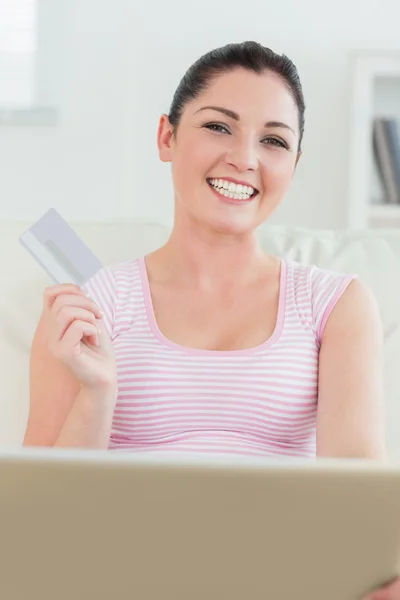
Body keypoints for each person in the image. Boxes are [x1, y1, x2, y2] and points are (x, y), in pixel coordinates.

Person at [23, 41, 398, 598]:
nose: (245, 157)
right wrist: (97, 391)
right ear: (167, 138)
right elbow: (35, 528)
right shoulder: (88, 305)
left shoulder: (337, 305)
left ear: (293, 165)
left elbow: (360, 511)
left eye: (273, 140)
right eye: (219, 127)